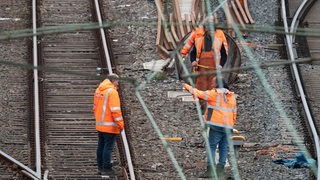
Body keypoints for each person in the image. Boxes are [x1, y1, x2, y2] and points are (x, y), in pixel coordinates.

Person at [182, 77, 237, 178]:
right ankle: (220, 170)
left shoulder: (214, 94)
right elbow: (234, 113)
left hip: (216, 126)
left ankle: (210, 170)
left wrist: (186, 86)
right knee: (223, 147)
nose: (211, 85)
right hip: (228, 127)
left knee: (211, 146)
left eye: (212, 83)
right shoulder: (231, 96)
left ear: (217, 84)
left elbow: (199, 93)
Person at [181, 17, 229, 111]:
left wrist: (221, 65)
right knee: (201, 86)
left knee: (213, 86)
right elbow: (193, 52)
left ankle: (212, 106)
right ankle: (202, 106)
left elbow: (224, 53)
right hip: (201, 68)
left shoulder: (220, 35)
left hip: (214, 68)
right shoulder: (199, 35)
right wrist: (193, 61)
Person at [92, 73, 124, 176]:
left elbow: (95, 107)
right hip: (109, 125)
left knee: (101, 145)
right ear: (113, 81)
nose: (118, 84)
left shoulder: (98, 90)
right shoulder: (112, 92)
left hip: (100, 124)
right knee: (108, 147)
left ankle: (100, 167)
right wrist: (120, 124)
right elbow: (115, 111)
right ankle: (106, 169)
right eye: (117, 82)